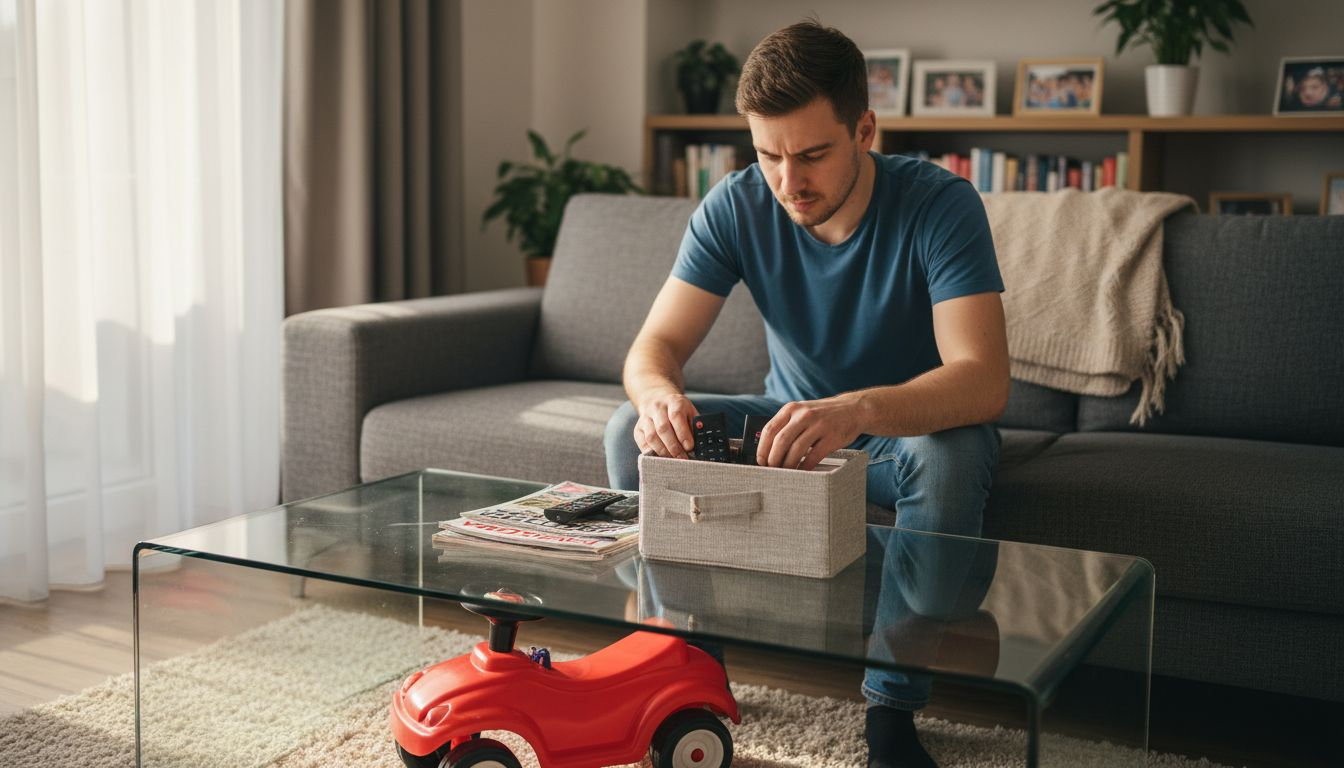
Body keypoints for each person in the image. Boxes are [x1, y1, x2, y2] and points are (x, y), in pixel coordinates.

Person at [603, 19, 1008, 768]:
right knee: (629, 430)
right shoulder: (736, 204)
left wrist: (856, 409)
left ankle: (890, 712)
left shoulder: (940, 205)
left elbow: (982, 380)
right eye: (767, 156)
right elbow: (653, 351)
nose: (789, 182)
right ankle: (696, 670)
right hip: (785, 436)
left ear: (864, 129)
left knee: (947, 459)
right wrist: (659, 396)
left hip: (905, 438)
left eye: (813, 154)